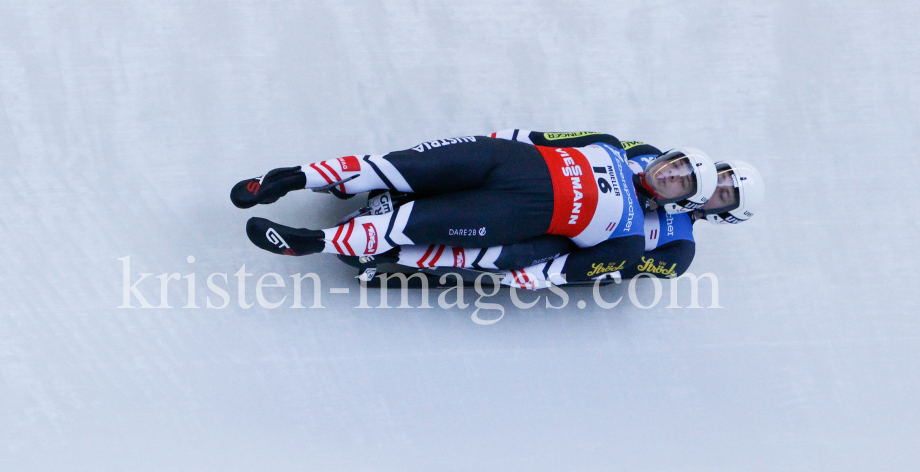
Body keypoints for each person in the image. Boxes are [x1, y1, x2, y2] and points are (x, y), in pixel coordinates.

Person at [231, 131, 718, 285]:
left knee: (413, 223)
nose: (671, 175)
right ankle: (285, 180)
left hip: (514, 211)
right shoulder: (615, 145)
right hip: (503, 160)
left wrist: (522, 273)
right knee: (395, 166)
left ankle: (309, 244)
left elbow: (572, 268)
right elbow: (540, 137)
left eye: (681, 184)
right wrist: (492, 138)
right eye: (676, 164)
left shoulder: (630, 237)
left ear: (681, 203)